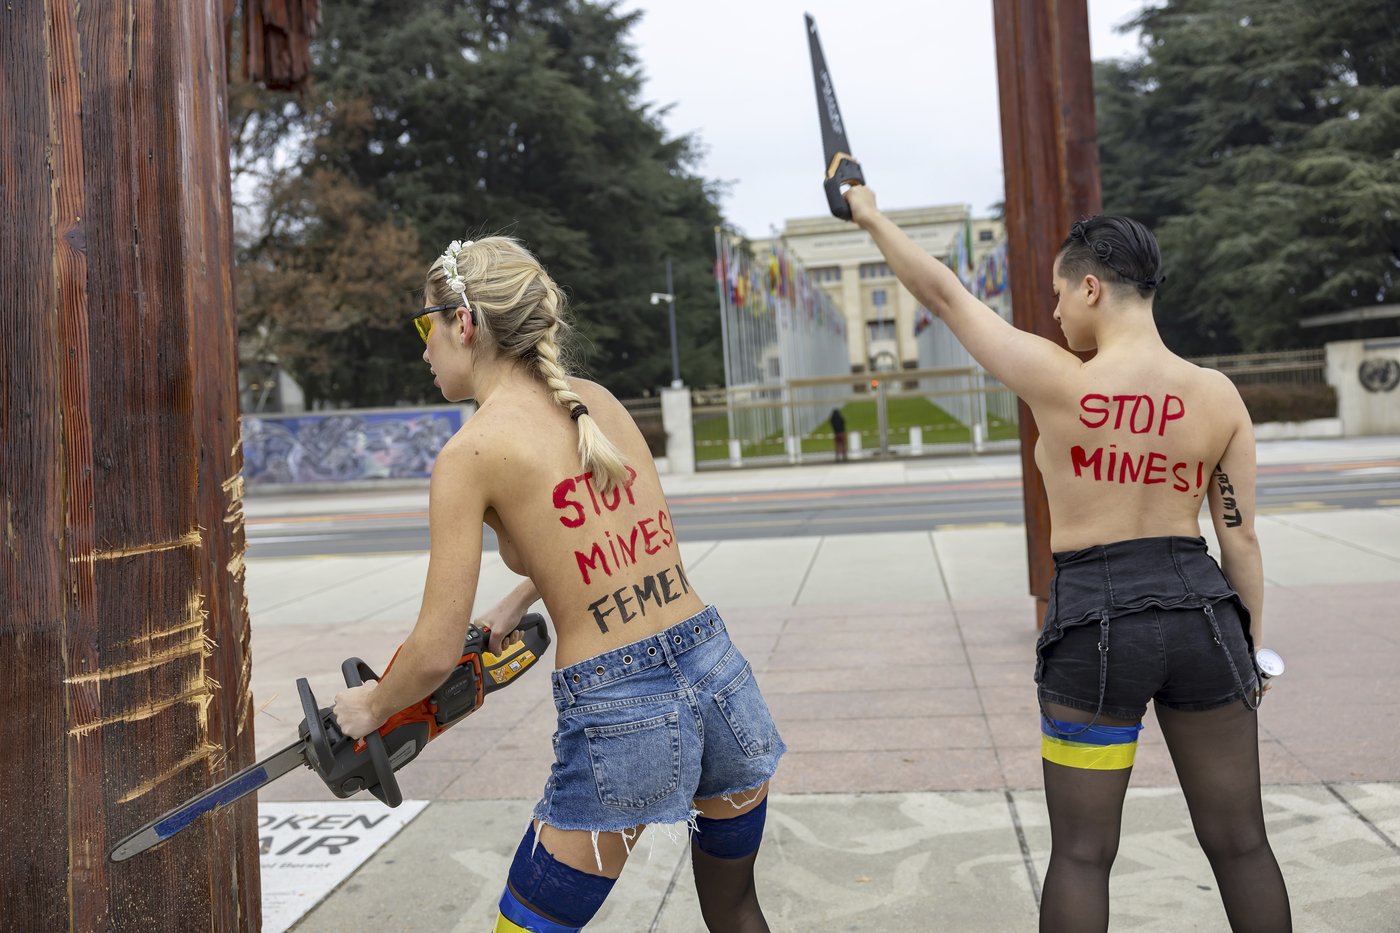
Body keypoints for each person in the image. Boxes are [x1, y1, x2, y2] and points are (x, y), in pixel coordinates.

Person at [844, 186, 1291, 933]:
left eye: (1058, 294)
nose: (1054, 313)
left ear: (1092, 285)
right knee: (1242, 842)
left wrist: (868, 213)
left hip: (1094, 621)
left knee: (1082, 854)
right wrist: (1247, 646)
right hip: (1201, 613)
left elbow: (944, 296)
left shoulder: (1061, 380)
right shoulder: (1217, 395)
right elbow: (1240, 536)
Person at [332, 236, 785, 932]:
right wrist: (523, 594)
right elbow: (619, 537)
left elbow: (430, 653)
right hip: (718, 671)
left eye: (425, 324)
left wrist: (369, 708)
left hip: (621, 707)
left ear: (466, 323)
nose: (423, 348)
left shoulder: (470, 452)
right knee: (736, 911)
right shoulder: (596, 401)